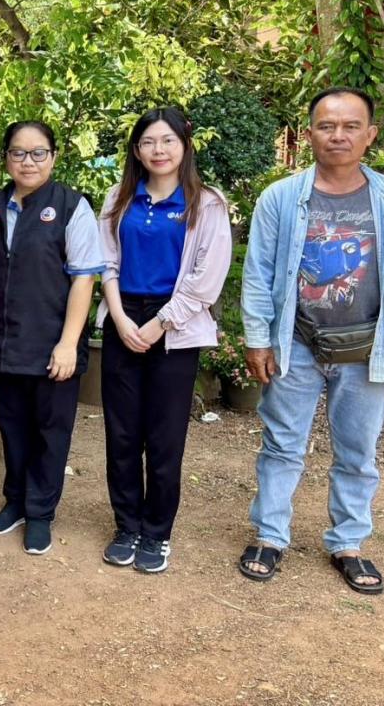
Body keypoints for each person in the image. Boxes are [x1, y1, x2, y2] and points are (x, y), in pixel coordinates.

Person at [238, 87, 384, 594]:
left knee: (358, 451)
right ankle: (270, 535)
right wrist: (258, 339)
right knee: (281, 444)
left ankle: (348, 542)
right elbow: (258, 274)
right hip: (296, 343)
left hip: (367, 349)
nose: (337, 135)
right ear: (309, 134)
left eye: (349, 126)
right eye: (326, 126)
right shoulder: (281, 198)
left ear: (370, 135)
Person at [96, 106, 231, 574]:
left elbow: (205, 280)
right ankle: (127, 526)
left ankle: (156, 532)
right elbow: (106, 262)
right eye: (149, 142)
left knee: (164, 436)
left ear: (184, 146)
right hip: (123, 318)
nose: (159, 150)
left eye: (168, 140)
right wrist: (118, 317)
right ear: (137, 150)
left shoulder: (206, 203)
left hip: (176, 327)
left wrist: (160, 323)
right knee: (121, 433)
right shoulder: (119, 197)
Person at [0, 121, 105, 555]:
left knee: (50, 432)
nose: (27, 162)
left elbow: (84, 279)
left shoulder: (72, 206)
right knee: (11, 426)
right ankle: (15, 501)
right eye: (18, 152)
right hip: (4, 344)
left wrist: (69, 343)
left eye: (38, 153)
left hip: (53, 346)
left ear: (53, 157)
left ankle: (40, 513)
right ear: (6, 158)